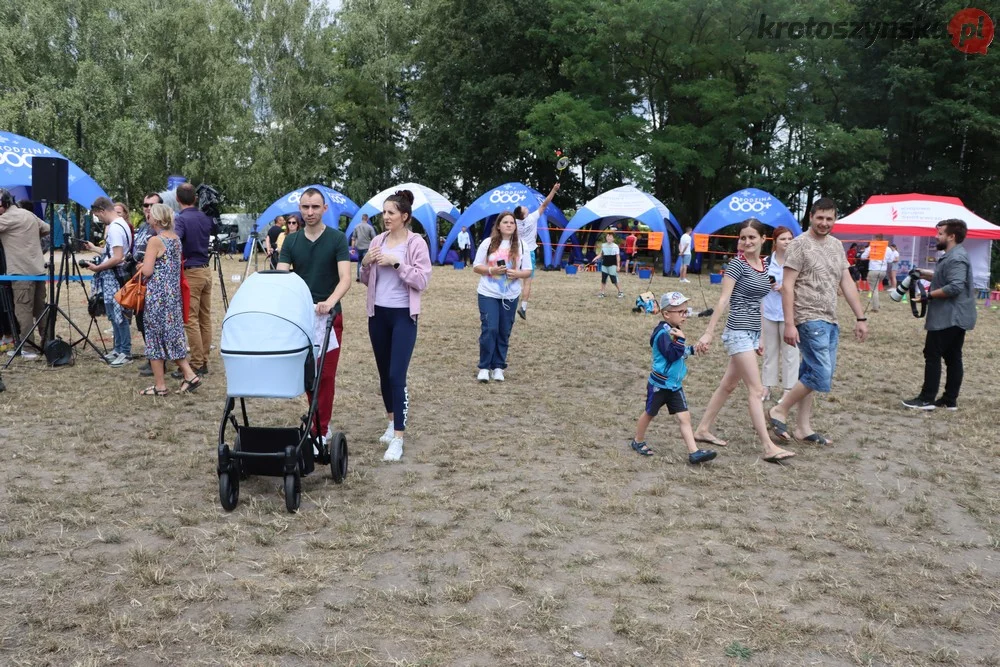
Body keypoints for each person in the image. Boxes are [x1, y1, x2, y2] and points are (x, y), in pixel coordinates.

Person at [692, 219, 796, 464]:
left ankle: (703, 429)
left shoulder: (763, 266)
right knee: (757, 390)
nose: (746, 242)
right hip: (736, 332)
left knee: (728, 386)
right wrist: (708, 332)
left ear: (763, 239)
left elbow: (759, 302)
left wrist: (760, 335)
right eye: (743, 237)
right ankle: (768, 446)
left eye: (751, 237)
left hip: (751, 334)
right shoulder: (736, 265)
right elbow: (723, 300)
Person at [767, 198, 869, 446]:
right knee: (822, 374)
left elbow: (846, 282)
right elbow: (788, 286)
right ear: (811, 216)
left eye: (829, 218)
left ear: (835, 219)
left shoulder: (836, 245)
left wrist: (860, 316)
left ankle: (803, 428)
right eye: (820, 218)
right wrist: (790, 323)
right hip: (807, 316)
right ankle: (779, 409)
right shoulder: (799, 244)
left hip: (830, 319)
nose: (824, 223)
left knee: (811, 372)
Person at [360, 190, 432, 461]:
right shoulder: (378, 240)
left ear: (404, 216)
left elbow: (422, 281)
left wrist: (398, 262)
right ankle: (391, 422)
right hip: (377, 314)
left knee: (396, 375)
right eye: (384, 212)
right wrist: (365, 264)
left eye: (391, 212)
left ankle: (399, 438)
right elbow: (366, 279)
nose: (385, 217)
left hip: (403, 315)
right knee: (383, 373)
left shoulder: (416, 244)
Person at [277, 188, 351, 447]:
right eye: (306, 207)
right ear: (300, 207)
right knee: (309, 374)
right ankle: (315, 421)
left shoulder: (337, 239)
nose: (310, 212)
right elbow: (282, 276)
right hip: (302, 318)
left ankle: (321, 429)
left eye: (315, 207)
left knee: (326, 375)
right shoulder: (291, 241)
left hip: (329, 317)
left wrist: (329, 302)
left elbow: (345, 278)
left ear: (324, 209)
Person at [629, 291, 717, 463]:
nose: (685, 316)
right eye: (681, 312)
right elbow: (671, 355)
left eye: (686, 311)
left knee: (685, 417)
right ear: (667, 313)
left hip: (674, 385)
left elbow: (679, 352)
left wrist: (693, 349)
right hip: (660, 385)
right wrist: (681, 341)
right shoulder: (662, 333)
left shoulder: (673, 330)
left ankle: (694, 452)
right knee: (649, 413)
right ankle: (637, 441)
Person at [902, 219, 976, 411]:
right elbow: (946, 277)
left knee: (933, 354)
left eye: (940, 233)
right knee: (952, 356)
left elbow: (955, 286)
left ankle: (926, 399)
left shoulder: (957, 257)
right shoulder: (952, 255)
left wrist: (927, 295)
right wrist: (923, 273)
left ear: (951, 236)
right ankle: (949, 401)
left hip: (950, 317)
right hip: (953, 316)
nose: (936, 236)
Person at [137, 204, 202, 396]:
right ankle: (189, 375)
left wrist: (141, 266)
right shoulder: (175, 239)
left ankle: (160, 385)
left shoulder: (155, 241)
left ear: (156, 219)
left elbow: (148, 271)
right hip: (173, 295)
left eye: (150, 213)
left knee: (155, 338)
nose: (147, 214)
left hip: (158, 295)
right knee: (172, 336)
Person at [473, 211, 532, 383]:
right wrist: (491, 270)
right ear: (498, 225)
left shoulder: (522, 245)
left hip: (510, 295)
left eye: (512, 223)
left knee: (504, 331)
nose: (509, 225)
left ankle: (498, 367)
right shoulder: (488, 243)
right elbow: (476, 266)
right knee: (490, 328)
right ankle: (484, 367)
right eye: (505, 222)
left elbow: (528, 270)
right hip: (488, 293)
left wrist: (518, 273)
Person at [84, 197, 134, 367]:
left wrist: (98, 268)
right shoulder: (121, 224)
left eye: (98, 215)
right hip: (114, 276)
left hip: (115, 276)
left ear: (103, 210)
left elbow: (117, 257)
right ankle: (118, 349)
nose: (99, 219)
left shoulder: (114, 229)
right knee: (114, 314)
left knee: (119, 315)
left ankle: (125, 351)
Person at [0, 188, 50, 360]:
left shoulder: (6, 218)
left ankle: (27, 347)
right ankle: (48, 343)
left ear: (3, 205)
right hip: (38, 270)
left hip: (21, 273)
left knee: (24, 311)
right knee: (40, 310)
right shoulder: (28, 214)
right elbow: (47, 228)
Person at [174, 183, 214, 376]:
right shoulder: (204, 217)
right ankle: (203, 359)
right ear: (195, 199)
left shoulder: (181, 220)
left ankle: (197, 363)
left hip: (191, 271)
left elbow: (176, 241)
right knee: (204, 318)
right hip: (206, 270)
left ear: (177, 199)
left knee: (190, 319)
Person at [761, 226, 799, 403]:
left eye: (790, 239)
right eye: (783, 239)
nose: (787, 242)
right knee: (770, 351)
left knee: (790, 353)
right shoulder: (766, 262)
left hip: (789, 314)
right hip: (769, 311)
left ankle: (788, 390)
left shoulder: (797, 261)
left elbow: (801, 287)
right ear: (775, 241)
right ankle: (766, 387)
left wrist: (786, 289)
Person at [513, 182, 560, 320]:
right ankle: (523, 308)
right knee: (527, 282)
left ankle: (508, 301)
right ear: (523, 214)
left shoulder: (514, 223)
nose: (527, 208)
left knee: (512, 278)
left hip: (516, 252)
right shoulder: (531, 218)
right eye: (525, 208)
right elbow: (545, 204)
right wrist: (553, 189)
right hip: (529, 253)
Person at [135, 192, 163, 377]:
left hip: (151, 280)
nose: (147, 208)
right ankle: (151, 357)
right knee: (141, 320)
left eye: (151, 205)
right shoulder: (144, 226)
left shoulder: (159, 231)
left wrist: (145, 265)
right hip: (138, 278)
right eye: (145, 205)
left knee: (152, 322)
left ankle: (159, 361)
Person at [591, 231, 624, 298]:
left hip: (612, 265)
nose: (609, 238)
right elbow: (601, 254)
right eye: (607, 236)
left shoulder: (615, 246)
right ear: (606, 238)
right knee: (603, 280)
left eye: (610, 237)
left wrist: (618, 266)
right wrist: (595, 258)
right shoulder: (603, 245)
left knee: (614, 280)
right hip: (604, 265)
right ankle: (602, 293)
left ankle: (620, 292)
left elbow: (618, 256)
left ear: (613, 238)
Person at [861, 234, 888, 312]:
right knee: (875, 288)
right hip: (883, 271)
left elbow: (863, 257)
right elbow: (890, 259)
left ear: (876, 238)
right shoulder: (887, 248)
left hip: (873, 270)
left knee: (874, 289)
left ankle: (875, 307)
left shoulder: (871, 247)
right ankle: (877, 305)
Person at [351, 213, 376, 282]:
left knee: (359, 261)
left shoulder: (356, 227)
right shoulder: (370, 227)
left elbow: (353, 238)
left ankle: (359, 277)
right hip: (366, 247)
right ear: (367, 219)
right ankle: (365, 277)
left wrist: (352, 248)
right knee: (366, 263)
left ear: (362, 218)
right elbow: (374, 238)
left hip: (358, 247)